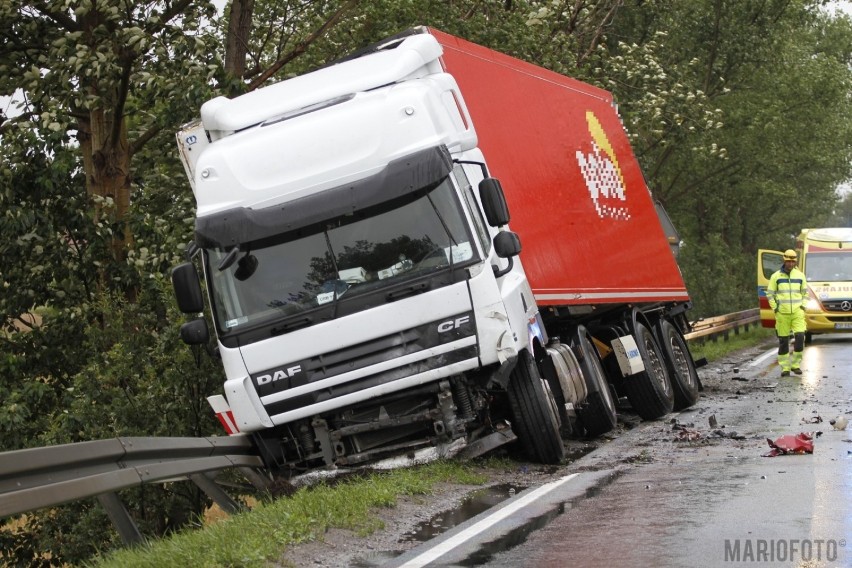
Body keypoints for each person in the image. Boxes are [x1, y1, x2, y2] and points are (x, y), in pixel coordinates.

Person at [766, 249, 808, 376]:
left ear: (795, 262)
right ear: (784, 261)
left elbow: (805, 293)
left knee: (800, 337)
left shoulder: (800, 275)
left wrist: (803, 307)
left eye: (793, 262)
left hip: (797, 313)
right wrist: (775, 308)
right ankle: (785, 367)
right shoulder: (776, 276)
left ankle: (795, 365)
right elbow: (770, 294)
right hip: (782, 314)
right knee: (783, 341)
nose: (790, 264)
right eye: (788, 261)